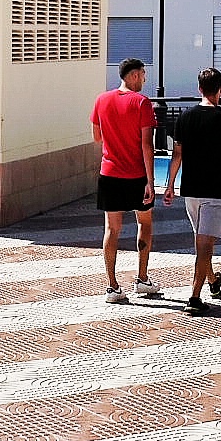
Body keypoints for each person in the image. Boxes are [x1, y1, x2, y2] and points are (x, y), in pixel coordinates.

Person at [162, 67, 221, 313]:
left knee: (202, 241)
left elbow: (177, 154)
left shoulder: (185, 118)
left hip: (190, 190)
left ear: (199, 89)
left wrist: (170, 185)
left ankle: (213, 280)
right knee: (204, 245)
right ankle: (194, 298)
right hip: (215, 191)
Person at [91, 57, 158, 304]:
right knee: (145, 223)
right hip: (137, 175)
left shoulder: (101, 100)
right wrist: (150, 181)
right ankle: (142, 278)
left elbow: (97, 137)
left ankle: (112, 286)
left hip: (109, 173)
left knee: (111, 229)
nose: (144, 79)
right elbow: (147, 145)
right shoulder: (142, 102)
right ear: (133, 75)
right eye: (142, 74)